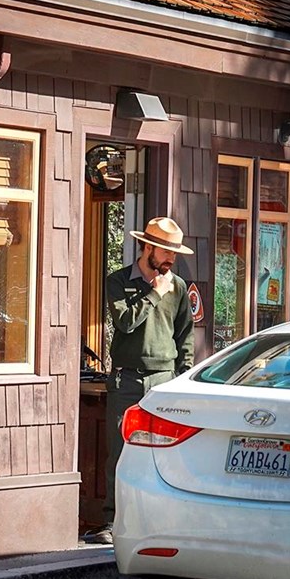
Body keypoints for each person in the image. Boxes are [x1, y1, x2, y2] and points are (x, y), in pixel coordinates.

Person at [82, 216, 195, 545]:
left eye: (174, 253)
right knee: (120, 452)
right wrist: (154, 294)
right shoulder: (119, 281)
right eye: (165, 252)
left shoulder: (178, 287)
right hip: (126, 379)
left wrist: (182, 380)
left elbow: (185, 336)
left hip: (164, 379)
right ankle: (112, 521)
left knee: (162, 454)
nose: (171, 259)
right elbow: (126, 322)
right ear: (147, 248)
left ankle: (158, 522)